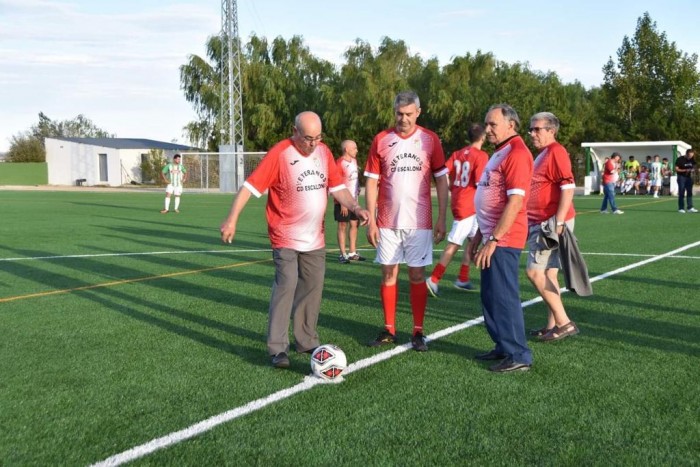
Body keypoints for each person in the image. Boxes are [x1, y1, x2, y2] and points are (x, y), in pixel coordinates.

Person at [219, 111, 370, 369]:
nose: (312, 143)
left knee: (313, 287)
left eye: (318, 137)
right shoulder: (281, 154)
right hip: (284, 235)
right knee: (286, 284)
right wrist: (232, 219)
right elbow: (249, 187)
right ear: (295, 131)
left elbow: (337, 188)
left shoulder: (323, 153)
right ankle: (277, 348)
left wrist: (356, 207)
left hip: (315, 237)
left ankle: (306, 340)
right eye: (308, 138)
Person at [364, 90, 449, 352]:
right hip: (387, 222)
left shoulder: (430, 140)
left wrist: (442, 217)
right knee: (388, 273)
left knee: (416, 274)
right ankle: (389, 329)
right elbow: (371, 181)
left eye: (409, 114)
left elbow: (441, 180)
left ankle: (418, 331)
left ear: (418, 113)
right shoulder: (381, 139)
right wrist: (371, 220)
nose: (403, 119)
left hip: (420, 222)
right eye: (399, 114)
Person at [467, 103, 533, 373]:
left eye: (493, 124)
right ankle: (504, 346)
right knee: (491, 295)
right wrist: (478, 237)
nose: (488, 129)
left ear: (511, 125)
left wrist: (493, 239)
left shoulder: (516, 153)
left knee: (504, 296)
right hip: (491, 235)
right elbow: (489, 197)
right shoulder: (498, 152)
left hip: (504, 239)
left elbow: (515, 202)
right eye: (487, 124)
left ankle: (519, 353)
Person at [525, 112, 579, 342]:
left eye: (537, 129)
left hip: (549, 222)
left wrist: (557, 221)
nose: (532, 133)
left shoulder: (556, 151)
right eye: (531, 129)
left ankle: (564, 322)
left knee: (534, 272)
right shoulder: (544, 154)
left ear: (551, 131)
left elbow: (568, 187)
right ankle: (552, 324)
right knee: (549, 273)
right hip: (544, 220)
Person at [426, 123, 488, 296]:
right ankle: (434, 279)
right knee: (454, 244)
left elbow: (443, 171)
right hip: (469, 205)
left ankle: (462, 278)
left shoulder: (458, 153)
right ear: (483, 137)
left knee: (472, 241)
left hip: (461, 201)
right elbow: (479, 183)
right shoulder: (481, 156)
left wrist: (453, 185)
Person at [334, 139, 366, 263]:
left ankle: (352, 252)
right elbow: (337, 183)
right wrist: (342, 202)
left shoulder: (354, 161)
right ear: (347, 149)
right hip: (342, 202)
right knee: (343, 225)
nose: (357, 150)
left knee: (354, 224)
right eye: (354, 148)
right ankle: (342, 254)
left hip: (354, 201)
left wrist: (357, 191)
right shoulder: (339, 163)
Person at [676, 148, 697, 213]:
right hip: (681, 177)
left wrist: (695, 170)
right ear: (686, 154)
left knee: (689, 192)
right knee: (681, 192)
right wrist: (685, 170)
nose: (690, 157)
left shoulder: (692, 159)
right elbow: (676, 169)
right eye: (689, 156)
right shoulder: (680, 159)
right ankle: (681, 208)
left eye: (692, 156)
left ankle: (690, 208)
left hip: (689, 178)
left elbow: (694, 166)